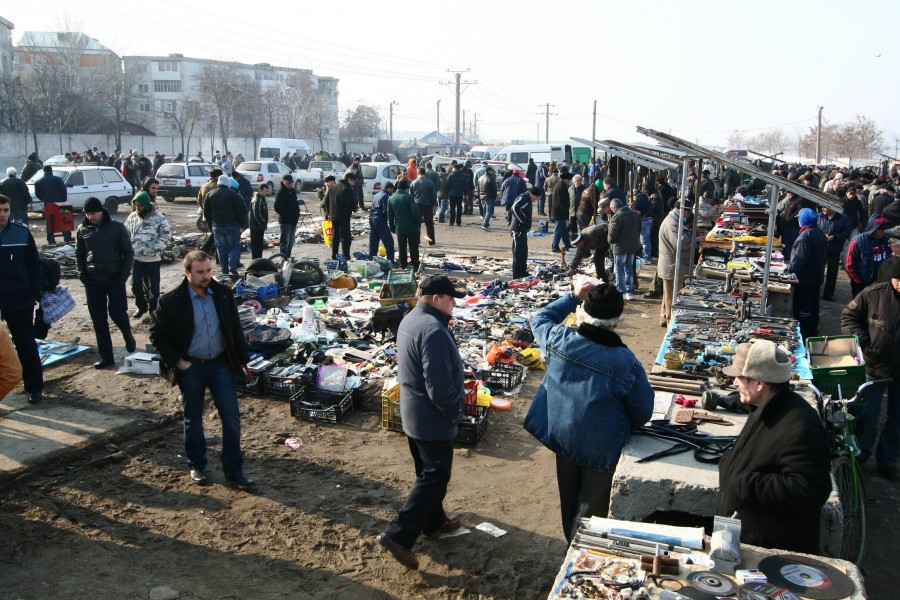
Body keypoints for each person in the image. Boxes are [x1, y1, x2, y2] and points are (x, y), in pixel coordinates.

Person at [525, 280, 653, 543]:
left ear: (584, 311)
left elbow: (541, 317)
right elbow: (643, 411)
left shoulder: (559, 339)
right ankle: (577, 555)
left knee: (569, 498)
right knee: (590, 512)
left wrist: (573, 296)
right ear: (616, 321)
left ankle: (570, 544)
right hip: (601, 446)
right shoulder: (626, 362)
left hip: (563, 435)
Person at [378, 274, 467, 570]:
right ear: (437, 299)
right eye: (451, 299)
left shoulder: (412, 318)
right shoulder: (432, 330)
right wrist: (454, 411)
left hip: (413, 413)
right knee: (434, 475)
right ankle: (399, 535)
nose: (454, 304)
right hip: (431, 419)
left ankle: (434, 521)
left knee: (427, 470)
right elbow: (439, 386)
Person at [149, 250, 255, 488]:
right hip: (191, 367)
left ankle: (234, 470)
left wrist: (241, 361)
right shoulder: (171, 301)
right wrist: (179, 362)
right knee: (193, 420)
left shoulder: (223, 294)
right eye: (200, 272)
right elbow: (157, 335)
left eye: (208, 270)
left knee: (231, 417)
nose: (206, 276)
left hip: (220, 365)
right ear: (187, 273)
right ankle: (197, 465)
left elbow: (234, 329)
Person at [717, 340, 831, 552]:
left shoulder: (801, 427)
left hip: (772, 553)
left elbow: (811, 489)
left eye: (739, 377)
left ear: (759, 384)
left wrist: (745, 484)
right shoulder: (765, 408)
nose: (734, 383)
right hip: (748, 538)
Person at [841, 260, 900, 482]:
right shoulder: (873, 294)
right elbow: (849, 317)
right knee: (866, 413)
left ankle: (888, 460)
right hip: (874, 365)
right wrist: (863, 342)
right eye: (898, 280)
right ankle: (859, 454)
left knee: (897, 419)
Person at [76, 196, 136, 369]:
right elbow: (79, 254)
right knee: (98, 320)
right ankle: (106, 356)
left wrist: (123, 276)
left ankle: (127, 333)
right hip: (93, 281)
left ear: (102, 211)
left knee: (117, 313)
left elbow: (128, 252)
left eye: (93, 213)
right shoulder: (82, 230)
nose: (91, 217)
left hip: (114, 279)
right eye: (87, 214)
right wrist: (82, 274)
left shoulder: (116, 227)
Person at [0, 194, 43, 403]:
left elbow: (35, 265)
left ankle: (34, 387)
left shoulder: (21, 233)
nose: (2, 214)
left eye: (6, 210)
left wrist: (33, 292)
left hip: (19, 301)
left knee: (26, 345)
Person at [124, 183, 171, 320]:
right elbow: (125, 234)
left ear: (146, 205)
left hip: (152, 259)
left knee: (154, 289)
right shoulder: (132, 217)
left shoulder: (158, 217)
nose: (138, 208)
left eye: (140, 205)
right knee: (135, 286)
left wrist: (156, 247)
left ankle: (153, 310)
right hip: (137, 258)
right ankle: (141, 306)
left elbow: (166, 234)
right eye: (136, 205)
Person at [789, 208, 827, 340]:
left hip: (806, 279)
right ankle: (812, 330)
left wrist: (792, 272)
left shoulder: (805, 237)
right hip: (817, 276)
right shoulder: (819, 232)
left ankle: (804, 334)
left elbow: (799, 261)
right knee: (813, 305)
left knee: (803, 309)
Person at [657, 199, 693, 327]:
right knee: (672, 295)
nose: (689, 215)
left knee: (668, 293)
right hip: (672, 265)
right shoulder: (672, 222)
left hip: (672, 263)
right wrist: (696, 240)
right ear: (682, 210)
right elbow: (680, 243)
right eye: (688, 212)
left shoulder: (674, 220)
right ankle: (670, 321)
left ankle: (663, 317)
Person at [204, 175, 248, 275]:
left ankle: (224, 270)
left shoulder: (210, 194)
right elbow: (241, 211)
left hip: (217, 226)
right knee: (234, 247)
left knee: (221, 248)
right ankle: (232, 266)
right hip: (232, 226)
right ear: (228, 183)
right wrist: (243, 224)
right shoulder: (234, 195)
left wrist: (211, 226)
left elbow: (206, 213)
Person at [845, 215, 892, 297]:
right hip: (862, 286)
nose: (882, 232)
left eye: (884, 229)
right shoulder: (857, 241)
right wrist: (859, 282)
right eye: (880, 229)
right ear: (873, 228)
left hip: (881, 284)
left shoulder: (887, 240)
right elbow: (849, 265)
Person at [607, 198, 641, 300]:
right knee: (629, 269)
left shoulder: (617, 217)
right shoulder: (635, 214)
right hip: (633, 246)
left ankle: (621, 291)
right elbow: (640, 229)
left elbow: (612, 235)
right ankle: (630, 292)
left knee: (619, 269)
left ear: (614, 207)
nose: (612, 211)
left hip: (620, 247)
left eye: (612, 209)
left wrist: (610, 241)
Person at [817, 206, 851, 301]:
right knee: (818, 271)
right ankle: (816, 291)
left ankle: (828, 294)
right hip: (821, 249)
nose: (823, 209)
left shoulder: (843, 218)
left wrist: (835, 237)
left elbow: (846, 233)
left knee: (832, 274)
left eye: (825, 207)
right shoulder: (819, 217)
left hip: (834, 249)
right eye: (822, 207)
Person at [34, 165, 73, 245]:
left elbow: (37, 194)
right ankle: (67, 237)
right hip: (61, 203)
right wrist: (63, 200)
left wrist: (44, 199)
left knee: (49, 221)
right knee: (64, 220)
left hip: (48, 204)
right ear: (51, 170)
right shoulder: (58, 179)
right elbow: (63, 191)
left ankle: (51, 239)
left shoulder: (38, 182)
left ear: (43, 171)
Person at [388, 180, 421, 271]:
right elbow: (415, 211)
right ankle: (415, 265)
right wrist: (418, 222)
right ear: (405, 189)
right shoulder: (409, 197)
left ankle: (403, 265)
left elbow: (390, 215)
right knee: (413, 247)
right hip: (412, 227)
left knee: (402, 247)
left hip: (400, 227)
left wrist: (392, 227)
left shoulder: (391, 198)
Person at [510, 186, 539, 279]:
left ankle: (522, 271)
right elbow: (514, 208)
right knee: (518, 253)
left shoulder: (527, 199)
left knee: (523, 252)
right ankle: (517, 274)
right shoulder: (523, 198)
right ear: (531, 194)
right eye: (536, 197)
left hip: (523, 229)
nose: (536, 199)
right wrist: (522, 219)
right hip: (518, 229)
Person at [328, 173, 358, 259]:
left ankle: (334, 255)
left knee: (335, 237)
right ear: (348, 179)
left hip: (333, 216)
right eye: (352, 181)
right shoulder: (347, 189)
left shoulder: (333, 187)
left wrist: (329, 213)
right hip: (343, 216)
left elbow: (326, 201)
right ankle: (346, 256)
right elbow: (351, 204)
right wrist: (354, 208)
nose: (353, 183)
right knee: (345, 237)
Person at [550, 172, 574, 266]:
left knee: (563, 230)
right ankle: (554, 246)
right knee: (558, 230)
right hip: (559, 213)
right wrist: (566, 210)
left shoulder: (561, 185)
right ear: (566, 179)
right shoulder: (561, 187)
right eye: (569, 180)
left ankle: (567, 245)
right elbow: (561, 201)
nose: (569, 182)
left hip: (560, 213)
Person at [274, 174, 300, 258]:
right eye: (288, 183)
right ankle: (284, 258)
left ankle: (288, 257)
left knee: (291, 241)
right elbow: (277, 207)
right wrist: (287, 214)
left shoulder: (292, 191)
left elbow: (295, 203)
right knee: (285, 241)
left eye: (291, 183)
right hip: (285, 221)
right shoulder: (281, 192)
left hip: (293, 220)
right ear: (283, 182)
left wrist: (296, 213)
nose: (290, 184)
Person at [369, 181, 396, 262]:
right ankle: (390, 259)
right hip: (380, 219)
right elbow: (386, 211)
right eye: (392, 190)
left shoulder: (377, 194)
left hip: (372, 218)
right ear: (390, 188)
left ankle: (372, 257)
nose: (392, 192)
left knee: (374, 240)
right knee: (389, 241)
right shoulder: (385, 196)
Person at [410, 167, 437, 243]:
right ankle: (431, 241)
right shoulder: (430, 182)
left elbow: (411, 196)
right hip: (428, 205)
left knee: (417, 224)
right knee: (429, 224)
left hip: (417, 205)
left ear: (418, 172)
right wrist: (433, 204)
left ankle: (417, 241)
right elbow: (433, 195)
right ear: (424, 173)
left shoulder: (413, 182)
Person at [248, 183, 269, 260]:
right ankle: (256, 261)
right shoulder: (257, 199)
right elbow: (256, 214)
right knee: (256, 246)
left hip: (259, 226)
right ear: (260, 190)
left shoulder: (262, 198)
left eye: (267, 191)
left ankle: (259, 260)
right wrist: (263, 223)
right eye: (265, 191)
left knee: (259, 245)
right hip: (256, 227)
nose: (266, 193)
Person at [478, 166, 498, 231]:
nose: (492, 172)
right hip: (489, 196)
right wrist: (495, 196)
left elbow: (479, 187)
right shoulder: (490, 178)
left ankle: (485, 223)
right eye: (491, 171)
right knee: (489, 212)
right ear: (489, 171)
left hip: (482, 196)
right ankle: (485, 224)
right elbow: (494, 189)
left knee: (484, 211)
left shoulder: (481, 178)